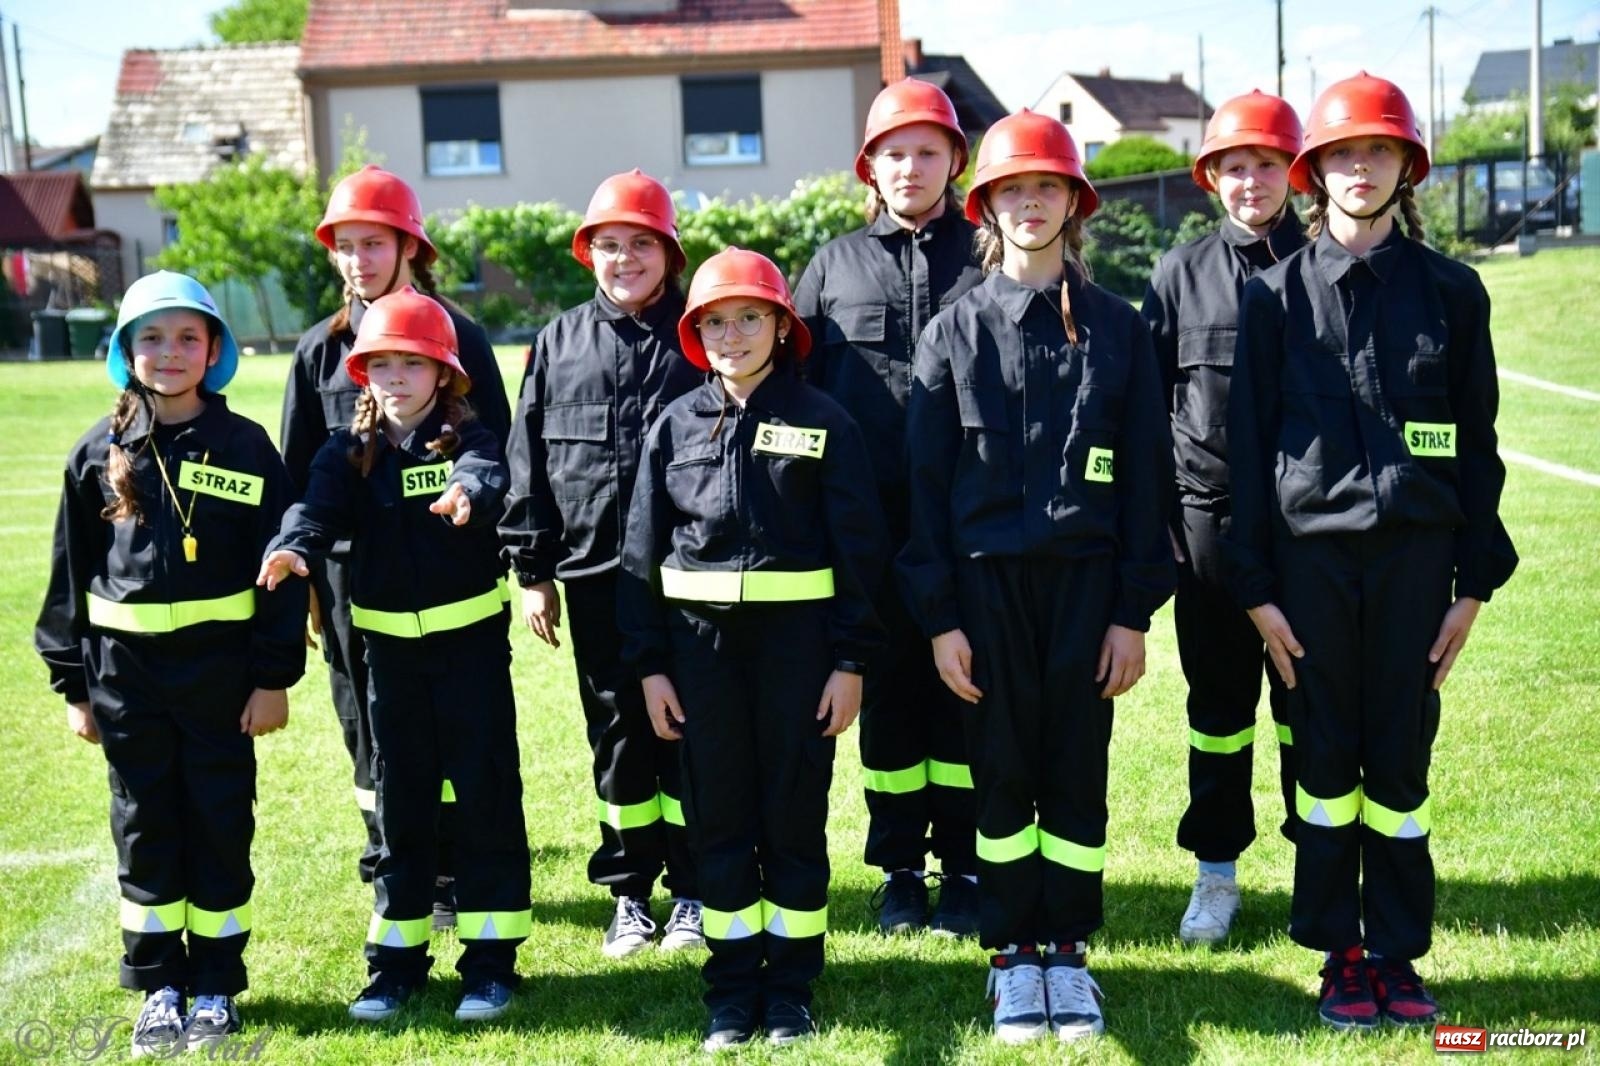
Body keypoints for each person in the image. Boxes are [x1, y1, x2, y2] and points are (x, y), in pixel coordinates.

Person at [1226, 72, 1518, 1030]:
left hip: (1416, 570)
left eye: (1379, 150)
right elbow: (1245, 451)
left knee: (1398, 763)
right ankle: (1337, 955)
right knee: (1323, 761)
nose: (1361, 167)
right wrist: (1257, 590)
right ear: (1315, 172)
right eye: (1343, 153)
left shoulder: (1454, 294)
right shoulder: (1272, 299)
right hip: (1309, 571)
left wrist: (1471, 587)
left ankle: (1394, 950)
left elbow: (1478, 448)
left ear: (1407, 166)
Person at [897, 110, 1175, 1044]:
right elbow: (924, 490)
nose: (1029, 203)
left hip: (1088, 591)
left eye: (1046, 187)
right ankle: (1014, 955)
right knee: (1002, 770)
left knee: (1077, 770)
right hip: (985, 593)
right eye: (1012, 189)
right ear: (986, 205)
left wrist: (1132, 613)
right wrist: (941, 619)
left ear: (1073, 203)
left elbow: (1148, 481)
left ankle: (1069, 952)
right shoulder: (952, 332)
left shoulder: (1120, 331)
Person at [617, 248, 888, 1050]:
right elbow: (641, 557)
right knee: (720, 823)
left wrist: (850, 663)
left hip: (798, 660)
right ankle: (733, 991)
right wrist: (652, 668)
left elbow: (861, 555)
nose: (732, 335)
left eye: (749, 318)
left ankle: (792, 989)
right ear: (696, 333)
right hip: (700, 662)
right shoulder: (674, 425)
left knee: (793, 818)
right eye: (715, 322)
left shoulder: (825, 422)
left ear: (781, 327)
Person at [35, 271, 306, 1057]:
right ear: (126, 351)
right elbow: (68, 579)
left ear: (214, 350)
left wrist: (272, 678)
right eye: (151, 338)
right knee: (145, 825)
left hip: (222, 681)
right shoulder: (96, 452)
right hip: (126, 683)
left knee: (219, 823)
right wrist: (74, 687)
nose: (170, 352)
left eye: (189, 337)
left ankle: (216, 982)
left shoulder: (247, 447)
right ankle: (159, 985)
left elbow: (283, 572)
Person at [259, 288, 531, 1024]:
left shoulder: (468, 438)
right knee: (401, 808)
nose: (397, 378)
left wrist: (467, 493)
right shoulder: (347, 452)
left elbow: (488, 474)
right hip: (389, 666)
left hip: (471, 657)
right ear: (363, 374)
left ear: (444, 372)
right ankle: (394, 968)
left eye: (413, 363)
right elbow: (313, 508)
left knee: (485, 803)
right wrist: (293, 546)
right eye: (382, 364)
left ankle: (492, 967)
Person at [280, 165, 511, 923]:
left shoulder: (461, 337)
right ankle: (393, 855)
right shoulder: (317, 351)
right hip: (355, 583)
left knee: (456, 727)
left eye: (373, 243)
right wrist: (309, 580)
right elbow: (302, 475)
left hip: (446, 578)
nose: (358, 261)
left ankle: (453, 864)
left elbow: (495, 453)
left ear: (410, 246)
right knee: (368, 723)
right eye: (344, 246)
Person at [794, 78, 986, 937]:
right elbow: (791, 390)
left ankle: (967, 866)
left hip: (968, 525)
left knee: (965, 695)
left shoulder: (989, 257)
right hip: (864, 533)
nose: (910, 167)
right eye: (893, 153)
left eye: (927, 151)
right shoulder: (831, 268)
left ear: (955, 161)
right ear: (869, 166)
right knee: (889, 703)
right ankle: (901, 870)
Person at [500, 169, 703, 958]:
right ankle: (629, 892)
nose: (625, 259)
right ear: (589, 254)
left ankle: (694, 889)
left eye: (641, 244)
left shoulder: (702, 336)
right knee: (618, 732)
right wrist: (532, 571)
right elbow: (527, 461)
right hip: (593, 579)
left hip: (690, 580)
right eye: (609, 245)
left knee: (689, 728)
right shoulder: (558, 342)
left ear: (670, 254)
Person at [1140, 89, 1305, 946]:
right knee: (1218, 710)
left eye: (1267, 165)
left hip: (1307, 529)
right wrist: (1166, 529)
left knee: (1309, 704)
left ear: (1294, 173)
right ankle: (1216, 874)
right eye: (1235, 167)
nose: (1251, 181)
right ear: (1211, 177)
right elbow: (1149, 409)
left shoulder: (1325, 266)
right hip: (1208, 528)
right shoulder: (1178, 274)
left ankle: (1321, 866)